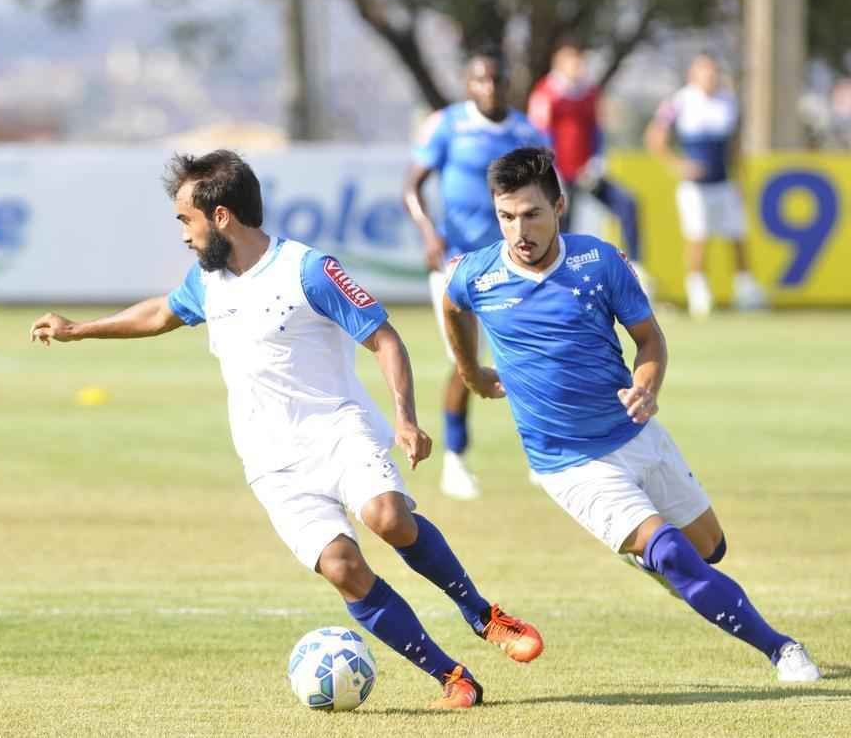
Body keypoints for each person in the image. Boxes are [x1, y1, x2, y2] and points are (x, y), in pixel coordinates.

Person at [30, 150, 543, 709]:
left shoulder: (309, 270)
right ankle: (451, 676)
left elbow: (385, 338)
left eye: (186, 220)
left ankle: (481, 612)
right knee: (343, 568)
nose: (183, 235)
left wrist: (405, 417)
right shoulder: (208, 282)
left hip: (337, 430)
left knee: (388, 517)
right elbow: (159, 314)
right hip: (271, 460)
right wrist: (80, 329)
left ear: (221, 216)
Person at [439, 146, 822, 683]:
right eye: (506, 217)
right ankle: (782, 649)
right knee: (670, 554)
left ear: (560, 207)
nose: (518, 230)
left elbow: (649, 339)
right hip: (568, 462)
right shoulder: (478, 275)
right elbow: (452, 305)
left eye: (532, 214)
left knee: (710, 550)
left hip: (637, 433)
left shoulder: (599, 263)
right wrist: (470, 371)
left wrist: (646, 383)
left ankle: (650, 553)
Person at [403, 49, 549, 500]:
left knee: (531, 355)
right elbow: (412, 185)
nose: (489, 88)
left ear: (508, 84)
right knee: (464, 362)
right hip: (457, 263)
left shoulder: (526, 132)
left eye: (496, 80)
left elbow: (548, 196)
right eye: (480, 80)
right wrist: (429, 233)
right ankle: (456, 460)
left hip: (513, 261)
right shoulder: (448, 124)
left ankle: (545, 455)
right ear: (469, 85)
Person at [645, 54, 767, 318]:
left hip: (724, 182)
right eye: (704, 72)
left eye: (713, 73)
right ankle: (699, 293)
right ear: (693, 74)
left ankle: (745, 290)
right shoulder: (680, 101)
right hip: (695, 186)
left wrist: (741, 178)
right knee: (698, 237)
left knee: (737, 237)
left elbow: (734, 147)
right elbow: (655, 137)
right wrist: (678, 165)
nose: (710, 78)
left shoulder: (728, 101)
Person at [528, 40, 649, 291]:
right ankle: (554, 279)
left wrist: (596, 161)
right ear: (560, 64)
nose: (579, 67)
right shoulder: (545, 93)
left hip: (586, 172)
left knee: (628, 204)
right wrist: (552, 171)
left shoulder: (589, 92)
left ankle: (636, 269)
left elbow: (596, 130)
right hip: (558, 174)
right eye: (573, 62)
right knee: (561, 224)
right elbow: (540, 135)